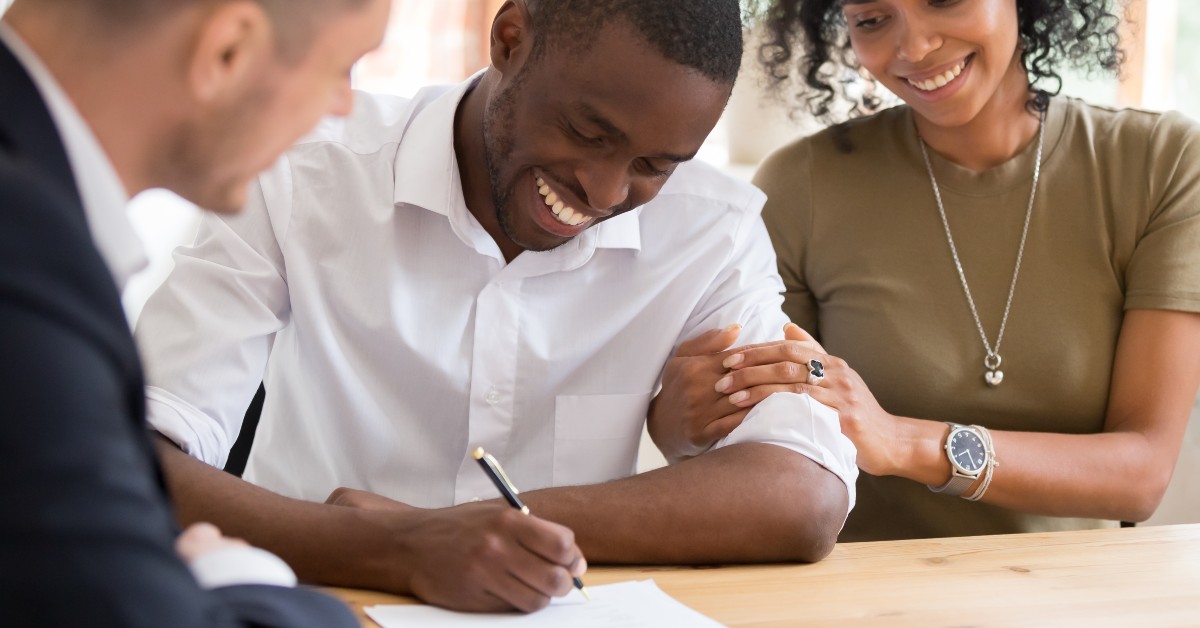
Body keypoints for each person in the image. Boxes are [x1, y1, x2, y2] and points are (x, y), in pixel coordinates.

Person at [134, 0, 860, 612]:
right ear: (510, 40)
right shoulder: (302, 171)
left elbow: (803, 494)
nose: (606, 194)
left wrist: (465, 529)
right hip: (311, 606)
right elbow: (138, 459)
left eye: (652, 167)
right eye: (588, 133)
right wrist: (397, 551)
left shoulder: (711, 230)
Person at [650, 0, 1200, 541]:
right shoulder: (803, 186)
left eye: (944, 0)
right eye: (871, 20)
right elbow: (758, 444)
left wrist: (904, 443)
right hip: (861, 595)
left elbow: (1142, 474)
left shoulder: (1161, 163)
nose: (913, 47)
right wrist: (677, 426)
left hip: (1085, 598)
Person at [0, 0, 393, 625]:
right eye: (342, 68)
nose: (343, 107)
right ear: (227, 52)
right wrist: (239, 576)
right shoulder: (25, 260)